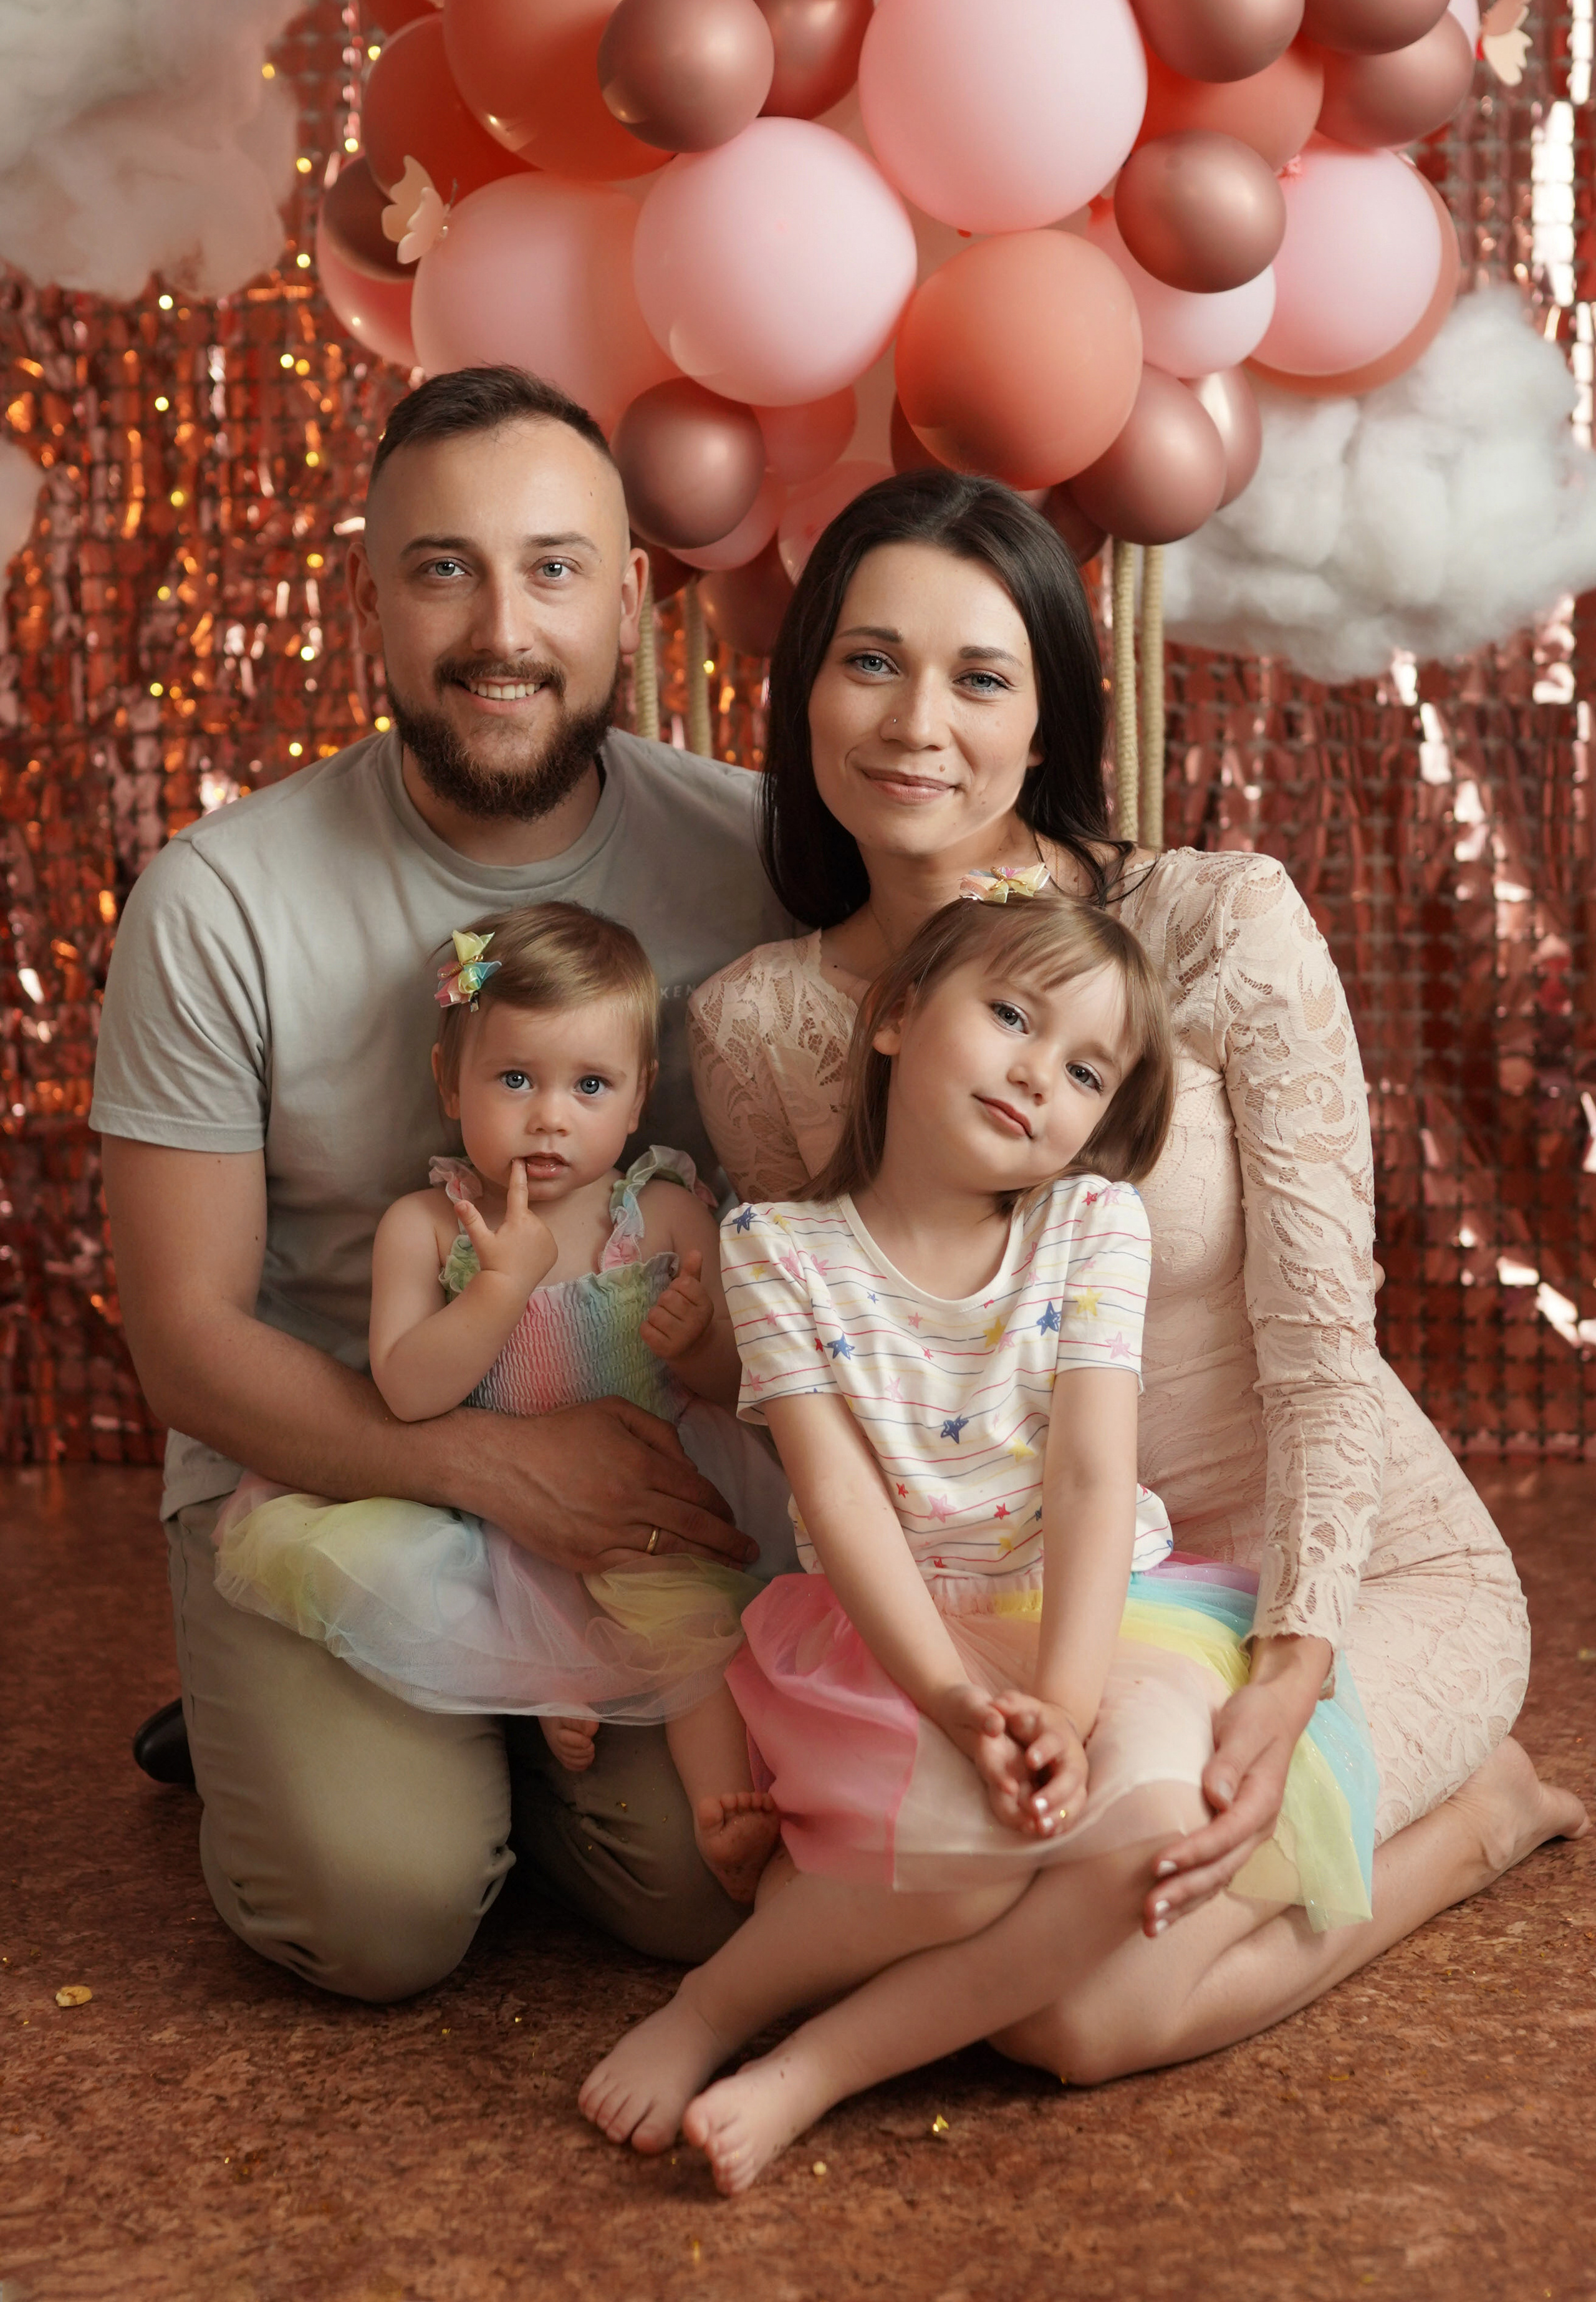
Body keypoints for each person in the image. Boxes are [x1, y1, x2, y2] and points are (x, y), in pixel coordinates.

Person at [686, 468, 1586, 2089]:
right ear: (804, 688)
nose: (915, 724)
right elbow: (855, 1407)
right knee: (983, 1948)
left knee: (1072, 2016)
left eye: (980, 677)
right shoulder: (759, 1030)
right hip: (1060, 1617)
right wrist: (909, 1712)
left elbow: (1323, 1355)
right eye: (868, 661)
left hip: (1356, 1573)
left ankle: (1483, 1817)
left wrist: (1294, 1668)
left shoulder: (1217, 928)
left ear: (1049, 724)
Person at [90, 365, 792, 2001]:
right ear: (373, 602)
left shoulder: (760, 857)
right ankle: (332, 1725)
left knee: (710, 1886)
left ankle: (470, 1738)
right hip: (323, 1473)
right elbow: (188, 1343)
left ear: (628, 598)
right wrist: (496, 1471)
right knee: (380, 1914)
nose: (502, 626)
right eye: (442, 567)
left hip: (631, 1478)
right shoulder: (219, 903)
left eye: (552, 567)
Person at [584, 883, 1380, 2192]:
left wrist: (1063, 1706)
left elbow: (1085, 1476)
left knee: (1139, 1846)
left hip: (1100, 1613)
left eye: (1081, 1069)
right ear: (896, 1017)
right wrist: (959, 1703)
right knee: (962, 1863)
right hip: (899, 1625)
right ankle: (711, 2012)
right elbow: (837, 1508)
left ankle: (814, 2069)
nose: (1033, 1075)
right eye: (1008, 1015)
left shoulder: (1089, 1228)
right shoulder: (776, 1252)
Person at [211, 902, 788, 1904]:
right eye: (515, 1079)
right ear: (451, 1083)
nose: (550, 1116)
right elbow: (407, 1390)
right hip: (479, 1507)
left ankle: (718, 1808)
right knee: (477, 1606)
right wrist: (498, 1287)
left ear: (642, 1094)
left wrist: (697, 1342)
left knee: (698, 1634)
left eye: (590, 1085)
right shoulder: (430, 1228)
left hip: (642, 1501)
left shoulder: (660, 1211)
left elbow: (745, 1386)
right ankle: (540, 1705)